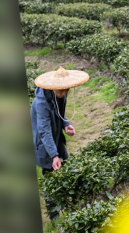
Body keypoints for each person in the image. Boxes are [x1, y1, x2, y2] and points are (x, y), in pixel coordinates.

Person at [30, 66, 89, 220]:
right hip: (44, 145)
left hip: (56, 137)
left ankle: (71, 207)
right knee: (51, 179)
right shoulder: (40, 103)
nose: (64, 93)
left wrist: (65, 124)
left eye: (66, 90)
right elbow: (44, 131)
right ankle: (54, 216)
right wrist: (54, 155)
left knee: (68, 167)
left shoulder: (60, 94)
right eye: (61, 91)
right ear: (53, 87)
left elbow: (59, 113)